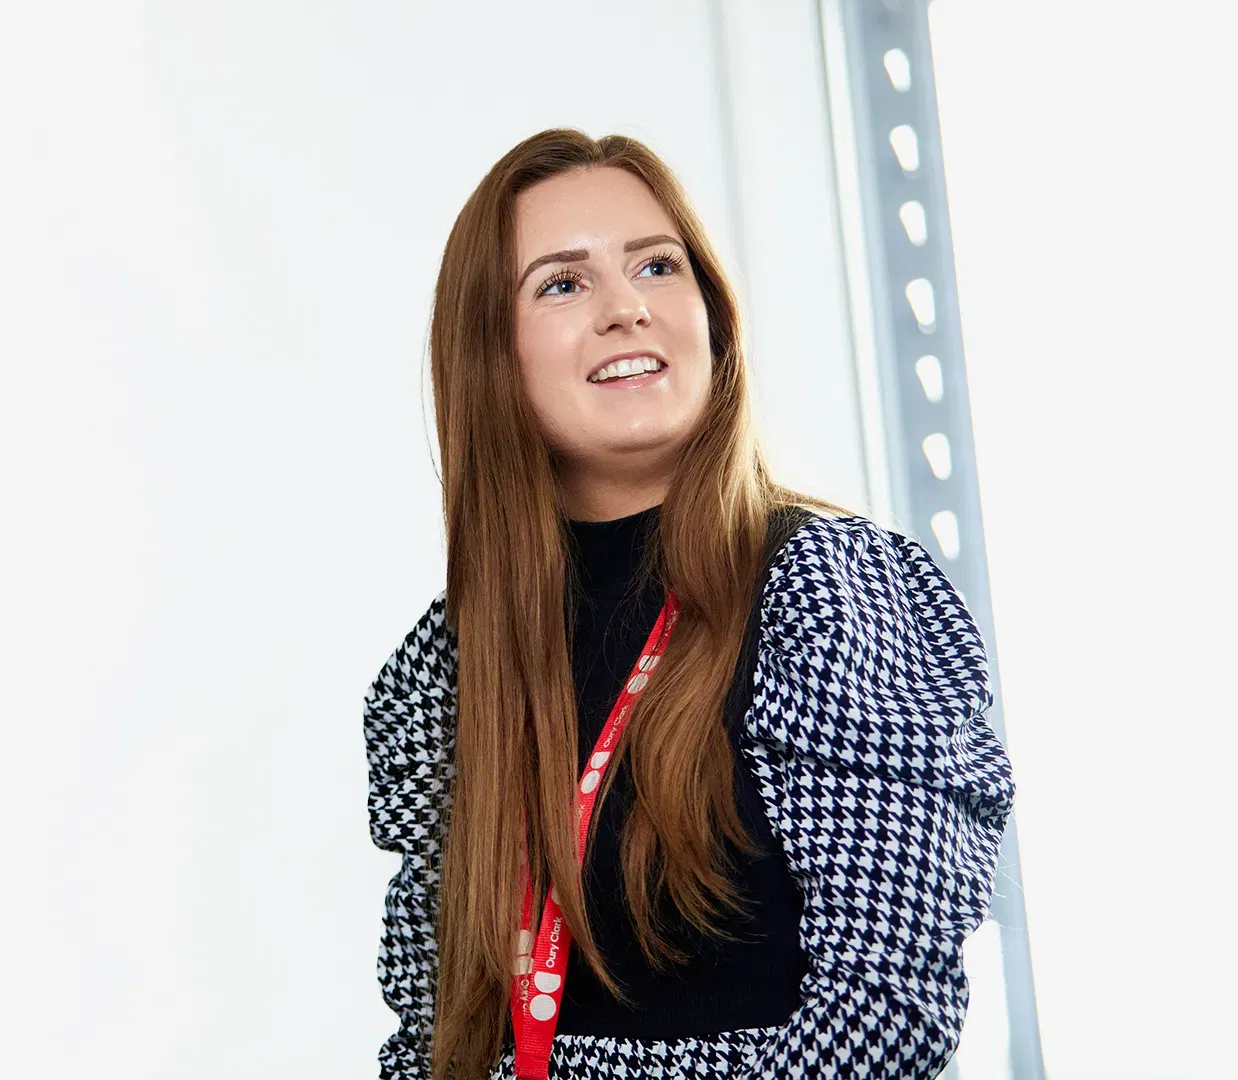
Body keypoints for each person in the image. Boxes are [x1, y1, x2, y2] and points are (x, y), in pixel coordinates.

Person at [362, 128, 1015, 1080]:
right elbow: (434, 1035)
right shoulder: (449, 665)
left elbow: (882, 1027)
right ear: (490, 351)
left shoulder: (829, 588)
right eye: (563, 282)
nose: (627, 309)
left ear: (710, 311)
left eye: (657, 266)